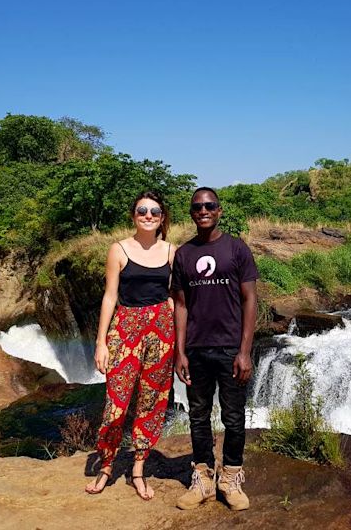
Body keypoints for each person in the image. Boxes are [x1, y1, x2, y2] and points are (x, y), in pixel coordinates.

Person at [84, 190, 176, 500]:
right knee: (116, 401)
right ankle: (106, 466)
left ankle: (138, 469)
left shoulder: (171, 251)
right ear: (133, 216)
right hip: (126, 329)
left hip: (162, 330)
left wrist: (180, 343)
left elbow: (174, 298)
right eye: (142, 211)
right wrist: (101, 342)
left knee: (152, 401)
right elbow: (110, 296)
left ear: (162, 217)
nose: (148, 215)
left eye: (154, 211)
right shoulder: (119, 249)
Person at [172, 187, 258, 511]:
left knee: (233, 418)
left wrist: (245, 351)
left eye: (209, 205)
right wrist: (180, 352)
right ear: (192, 213)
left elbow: (250, 299)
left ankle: (231, 477)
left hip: (230, 349)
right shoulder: (183, 254)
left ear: (219, 211)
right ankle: (204, 478)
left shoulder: (236, 249)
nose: (203, 210)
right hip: (196, 349)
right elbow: (180, 305)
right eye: (197, 206)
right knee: (198, 417)